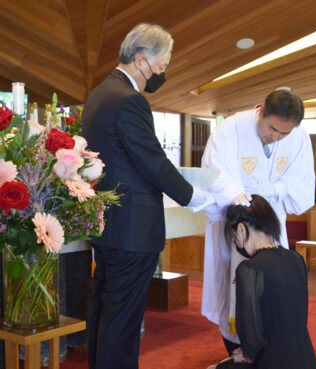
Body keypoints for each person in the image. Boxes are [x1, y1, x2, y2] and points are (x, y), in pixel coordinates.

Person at [82, 23, 212, 369]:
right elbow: (152, 161)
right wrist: (195, 197)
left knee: (106, 313)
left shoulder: (98, 95)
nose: (162, 74)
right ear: (141, 60)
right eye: (163, 66)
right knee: (123, 322)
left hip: (108, 223)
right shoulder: (130, 100)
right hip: (132, 231)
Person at [202, 89, 315, 354]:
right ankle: (236, 349)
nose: (276, 138)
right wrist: (239, 195)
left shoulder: (299, 138)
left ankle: (269, 349)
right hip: (236, 225)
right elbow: (213, 172)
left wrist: (271, 190)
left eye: (284, 134)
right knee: (233, 294)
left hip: (271, 224)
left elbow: (302, 185)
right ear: (261, 111)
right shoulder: (231, 129)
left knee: (273, 291)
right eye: (272, 129)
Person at [208, 195, 316, 369]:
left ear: (242, 230)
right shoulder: (296, 259)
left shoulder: (249, 270)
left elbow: (253, 341)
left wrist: (243, 356)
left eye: (233, 234)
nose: (235, 241)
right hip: (307, 361)